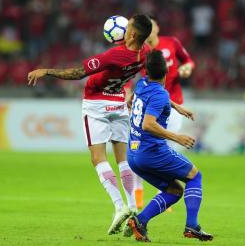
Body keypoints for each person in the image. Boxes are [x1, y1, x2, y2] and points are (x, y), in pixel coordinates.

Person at [28, 14, 192, 235]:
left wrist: (47, 71)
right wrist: (175, 105)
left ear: (132, 33)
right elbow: (150, 81)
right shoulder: (144, 53)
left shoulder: (115, 55)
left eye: (128, 26)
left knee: (98, 158)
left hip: (96, 102)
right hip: (118, 101)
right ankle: (133, 205)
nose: (125, 28)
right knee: (122, 159)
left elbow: (79, 73)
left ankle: (119, 206)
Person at [125, 50, 213, 242]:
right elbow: (148, 124)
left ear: (147, 72)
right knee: (195, 176)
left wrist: (176, 106)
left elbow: (133, 99)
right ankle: (192, 226)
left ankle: (139, 221)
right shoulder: (161, 94)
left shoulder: (142, 84)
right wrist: (177, 137)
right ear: (166, 73)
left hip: (133, 155)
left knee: (174, 191)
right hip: (152, 152)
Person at [132, 16, 196, 210]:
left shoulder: (172, 42)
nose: (150, 30)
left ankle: (165, 195)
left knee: (165, 149)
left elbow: (189, 62)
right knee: (140, 147)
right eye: (147, 28)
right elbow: (130, 73)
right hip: (148, 104)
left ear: (158, 27)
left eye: (152, 26)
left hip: (171, 105)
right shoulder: (141, 51)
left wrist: (186, 68)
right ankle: (137, 198)